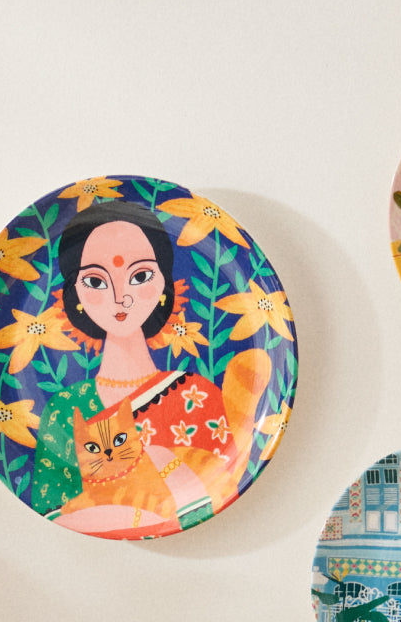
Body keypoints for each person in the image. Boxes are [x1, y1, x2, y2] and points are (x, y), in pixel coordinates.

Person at [30, 202, 266, 535]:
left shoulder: (196, 396)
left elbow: (223, 484)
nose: (120, 297)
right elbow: (52, 510)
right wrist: (144, 517)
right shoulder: (65, 411)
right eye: (96, 281)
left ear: (163, 285)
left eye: (140, 276)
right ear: (75, 292)